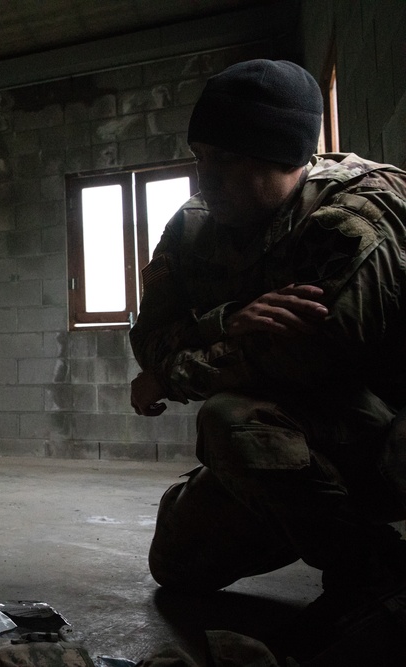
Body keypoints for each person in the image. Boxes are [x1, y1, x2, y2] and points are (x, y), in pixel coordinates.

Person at [129, 59, 406, 664]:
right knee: (175, 565)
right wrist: (226, 320)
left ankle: (374, 578)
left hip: (381, 437)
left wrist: (170, 375)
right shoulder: (194, 225)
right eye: (200, 155)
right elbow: (147, 337)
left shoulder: (355, 219)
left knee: (231, 419)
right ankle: (297, 510)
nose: (204, 178)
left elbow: (302, 360)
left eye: (224, 160)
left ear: (281, 156)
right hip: (293, 442)